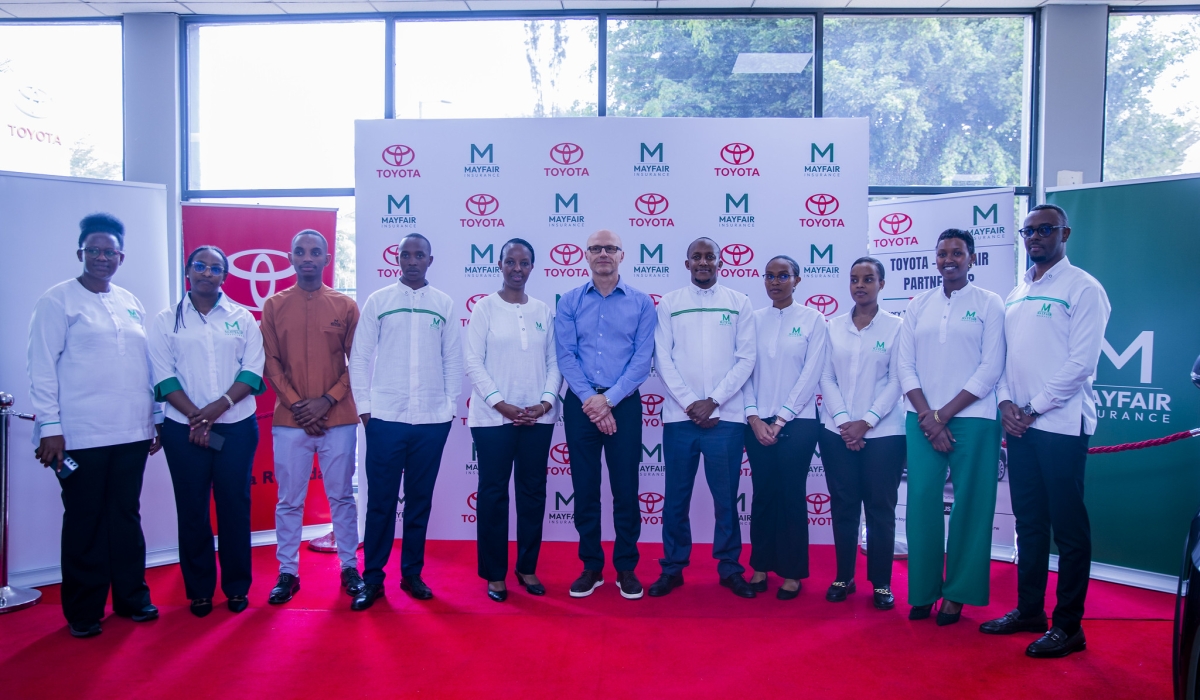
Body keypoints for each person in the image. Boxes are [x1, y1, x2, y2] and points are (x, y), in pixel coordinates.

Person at [980, 204, 1110, 658]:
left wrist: (1032, 408)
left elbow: (1082, 363)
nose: (1035, 237)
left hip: (1059, 425)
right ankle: (1030, 611)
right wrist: (1005, 405)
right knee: (1030, 524)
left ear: (1064, 233)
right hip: (1019, 426)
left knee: (1069, 530)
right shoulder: (1017, 293)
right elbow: (1001, 362)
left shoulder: (1084, 288)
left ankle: (1069, 626)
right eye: (1028, 230)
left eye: (1044, 229)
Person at [27, 213, 162, 638]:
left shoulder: (130, 301)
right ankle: (84, 611)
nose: (102, 257)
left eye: (110, 251)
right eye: (94, 251)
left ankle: (131, 599)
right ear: (80, 253)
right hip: (78, 434)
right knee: (85, 520)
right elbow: (41, 368)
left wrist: (154, 419)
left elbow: (146, 366)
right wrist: (50, 427)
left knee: (125, 516)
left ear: (121, 256)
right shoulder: (57, 300)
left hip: (131, 431)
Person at [149, 245, 265, 618]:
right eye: (200, 266)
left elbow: (252, 370)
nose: (207, 272)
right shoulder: (166, 320)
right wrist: (196, 418)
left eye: (216, 268)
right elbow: (163, 377)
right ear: (188, 271)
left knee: (235, 507)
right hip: (183, 431)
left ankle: (235, 587)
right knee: (193, 510)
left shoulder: (242, 317)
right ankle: (199, 589)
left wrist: (215, 411)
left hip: (235, 428)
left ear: (224, 277)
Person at [348, 233, 462, 610]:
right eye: (405, 255)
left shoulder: (443, 304)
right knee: (379, 502)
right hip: (385, 418)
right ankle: (373, 579)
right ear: (397, 259)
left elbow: (452, 361)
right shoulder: (379, 301)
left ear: (431, 260)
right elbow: (360, 357)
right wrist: (365, 409)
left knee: (419, 502)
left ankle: (412, 574)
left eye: (419, 255)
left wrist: (446, 409)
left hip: (431, 420)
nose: (412, 261)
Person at [897, 229, 1005, 625]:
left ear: (971, 258)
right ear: (935, 259)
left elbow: (991, 367)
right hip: (921, 419)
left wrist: (943, 415)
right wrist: (929, 415)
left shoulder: (990, 303)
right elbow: (904, 365)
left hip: (975, 418)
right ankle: (923, 591)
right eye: (942, 253)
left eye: (957, 252)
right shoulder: (918, 305)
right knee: (921, 503)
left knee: (972, 507)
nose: (949, 259)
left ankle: (958, 593)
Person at [260, 230, 365, 605]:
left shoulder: (345, 306)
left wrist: (327, 400)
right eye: (301, 252)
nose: (307, 258)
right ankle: (287, 572)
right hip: (290, 420)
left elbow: (360, 362)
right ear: (290, 257)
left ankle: (350, 566)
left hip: (338, 417)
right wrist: (297, 405)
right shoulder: (274, 305)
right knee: (289, 499)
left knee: (341, 496)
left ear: (326, 259)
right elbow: (270, 363)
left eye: (315, 252)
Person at [651, 237, 757, 599]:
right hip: (680, 419)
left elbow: (746, 359)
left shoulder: (739, 302)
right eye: (696, 256)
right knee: (675, 499)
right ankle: (673, 568)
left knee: (726, 500)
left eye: (709, 256)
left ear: (720, 262)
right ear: (686, 263)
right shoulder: (670, 303)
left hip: (726, 419)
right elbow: (662, 358)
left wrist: (712, 401)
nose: (703, 262)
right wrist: (690, 404)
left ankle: (729, 568)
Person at [555, 229, 656, 600]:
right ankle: (591, 566)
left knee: (626, 489)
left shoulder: (642, 303)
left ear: (621, 255)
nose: (603, 254)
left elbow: (642, 360)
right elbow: (566, 355)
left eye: (609, 248)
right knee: (585, 488)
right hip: (581, 403)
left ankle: (626, 568)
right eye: (596, 248)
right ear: (586, 255)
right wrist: (592, 401)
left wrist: (608, 401)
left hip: (624, 403)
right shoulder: (568, 302)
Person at [465, 238, 561, 602]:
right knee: (492, 494)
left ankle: (527, 566)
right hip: (493, 419)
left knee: (533, 494)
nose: (517, 269)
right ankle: (494, 573)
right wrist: (500, 404)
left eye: (523, 263)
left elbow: (555, 362)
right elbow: (473, 361)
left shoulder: (542, 311)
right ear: (499, 265)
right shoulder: (484, 309)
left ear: (532, 267)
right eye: (510, 262)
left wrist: (545, 403)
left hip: (538, 418)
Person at [818, 257, 906, 610]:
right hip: (836, 432)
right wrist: (844, 421)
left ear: (881, 284)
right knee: (844, 506)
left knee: (881, 509)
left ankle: (881, 583)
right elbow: (826, 378)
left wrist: (865, 421)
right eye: (854, 279)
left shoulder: (897, 327)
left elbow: (899, 381)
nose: (860, 285)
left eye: (868, 279)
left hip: (884, 434)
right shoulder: (833, 327)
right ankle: (844, 576)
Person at [742, 255, 827, 600]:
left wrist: (781, 418)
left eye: (783, 276)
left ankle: (792, 572)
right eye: (769, 276)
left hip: (799, 423)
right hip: (756, 423)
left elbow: (811, 374)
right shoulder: (752, 320)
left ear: (797, 279)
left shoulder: (813, 320)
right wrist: (753, 416)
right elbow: (744, 370)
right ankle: (760, 566)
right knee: (762, 495)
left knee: (791, 496)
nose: (775, 282)